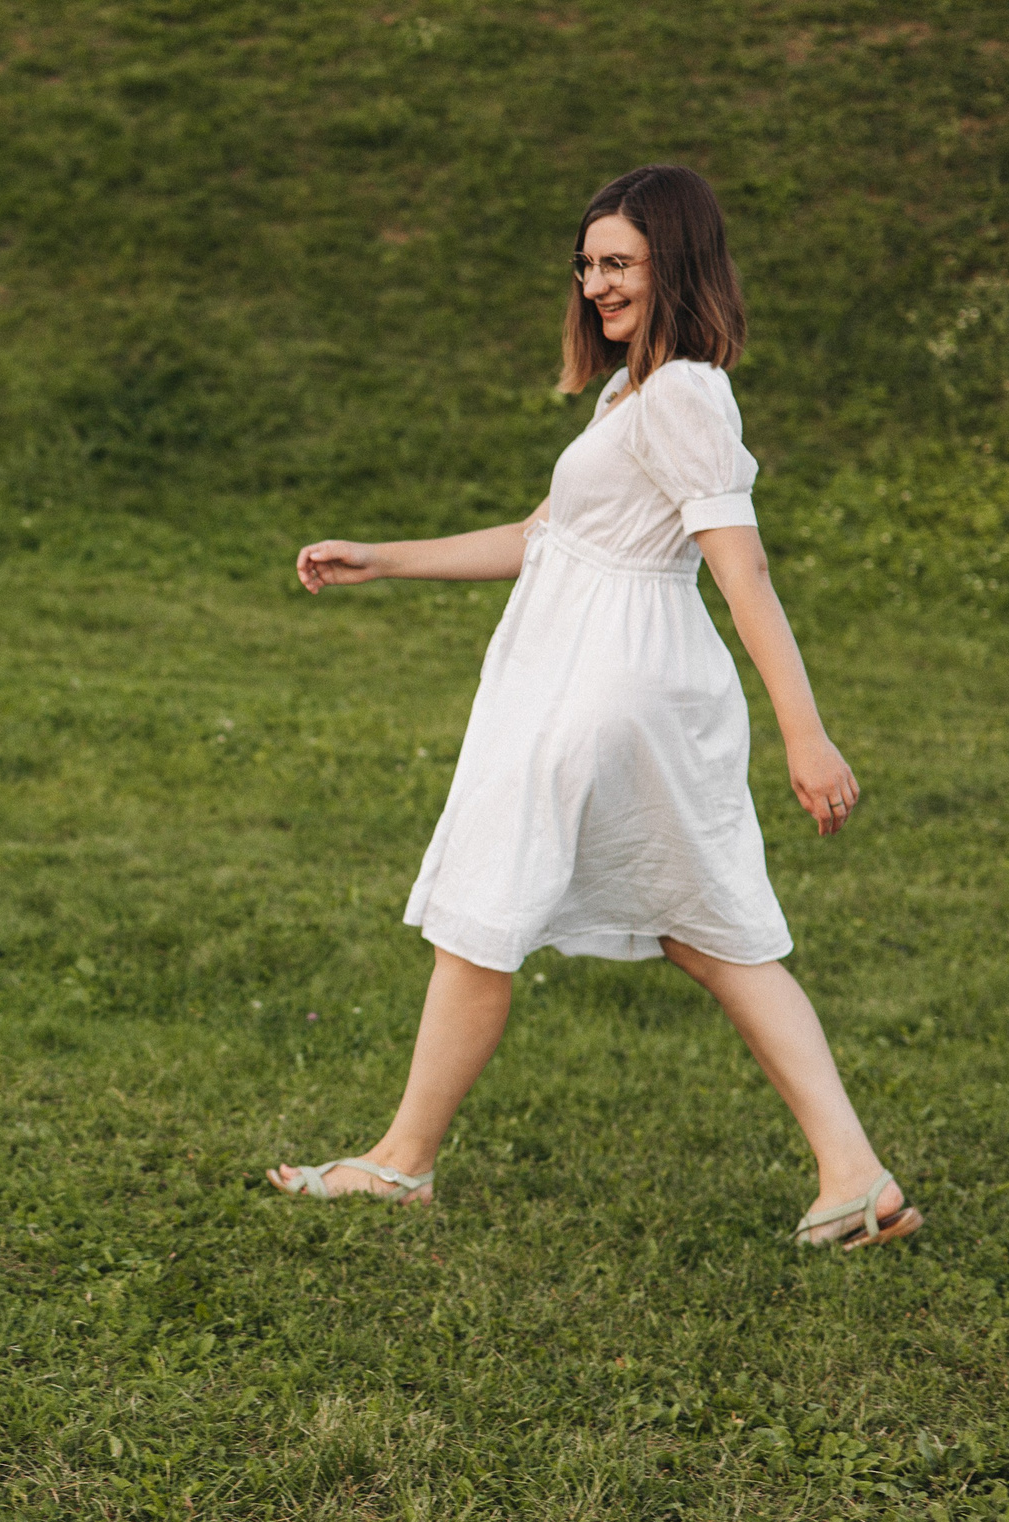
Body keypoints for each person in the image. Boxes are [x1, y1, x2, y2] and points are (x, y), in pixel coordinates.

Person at [267, 165, 920, 1252]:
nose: (594, 282)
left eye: (619, 262)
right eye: (587, 262)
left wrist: (806, 734)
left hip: (605, 687)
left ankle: (400, 1166)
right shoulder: (633, 392)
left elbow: (741, 571)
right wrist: (381, 558)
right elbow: (543, 541)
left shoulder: (683, 395)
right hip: (598, 676)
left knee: (488, 909)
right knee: (708, 934)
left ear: (676, 262)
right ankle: (854, 1176)